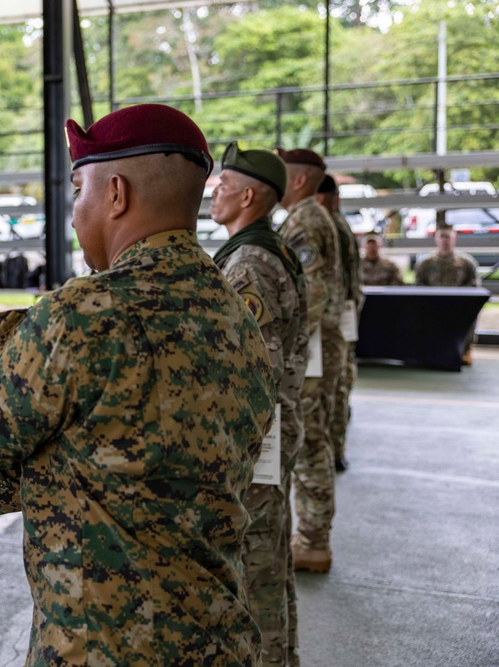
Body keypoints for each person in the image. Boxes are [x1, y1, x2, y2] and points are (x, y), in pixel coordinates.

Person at [0, 104, 277, 665]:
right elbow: (106, 470)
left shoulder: (86, 312)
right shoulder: (237, 314)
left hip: (102, 647)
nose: (77, 215)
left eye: (80, 191)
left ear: (117, 193)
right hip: (219, 640)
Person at [211, 142, 307, 666]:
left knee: (254, 572)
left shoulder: (249, 263)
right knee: (269, 564)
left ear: (247, 196)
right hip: (269, 440)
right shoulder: (261, 249)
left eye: (223, 186)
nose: (214, 194)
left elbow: (254, 376)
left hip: (256, 444)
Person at [275, 147, 345, 574]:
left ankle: (313, 539)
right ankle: (313, 535)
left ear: (299, 180)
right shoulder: (313, 217)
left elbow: (312, 294)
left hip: (314, 349)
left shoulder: (304, 220)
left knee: (309, 444)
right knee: (312, 439)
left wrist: (289, 344)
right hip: (323, 345)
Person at [315, 175, 362, 473]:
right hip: (344, 315)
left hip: (333, 319)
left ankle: (335, 450)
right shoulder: (339, 224)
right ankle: (337, 447)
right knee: (341, 382)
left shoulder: (329, 225)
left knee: (333, 387)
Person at [415, 227, 481, 365]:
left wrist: (458, 298)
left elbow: (474, 284)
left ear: (454, 238)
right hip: (433, 304)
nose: (445, 240)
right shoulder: (426, 263)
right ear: (436, 239)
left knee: (470, 317)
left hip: (458, 304)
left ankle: (465, 350)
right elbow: (419, 285)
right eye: (442, 237)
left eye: (448, 237)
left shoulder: (466, 262)